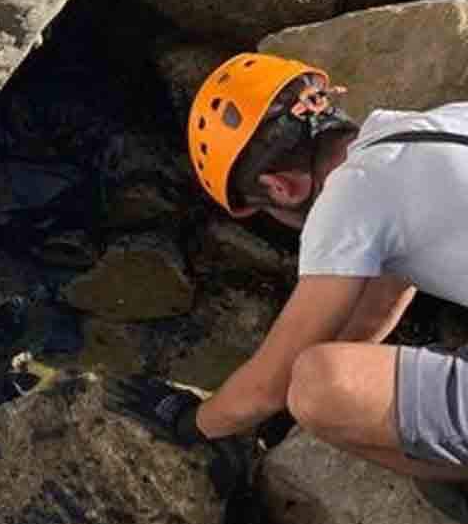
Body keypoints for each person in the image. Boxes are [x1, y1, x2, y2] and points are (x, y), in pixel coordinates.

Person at [107, 52, 468, 483]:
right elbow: (386, 292)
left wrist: (193, 421)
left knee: (317, 387)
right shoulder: (429, 126)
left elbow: (268, 388)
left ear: (281, 187)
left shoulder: (351, 195)